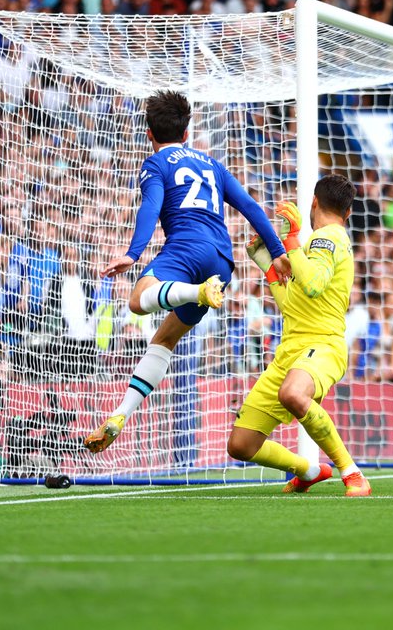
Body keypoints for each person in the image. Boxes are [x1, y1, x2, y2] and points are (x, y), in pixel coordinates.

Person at [84, 91, 291, 453]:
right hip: (221, 262)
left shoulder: (155, 164)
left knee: (137, 301)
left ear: (149, 133)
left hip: (187, 249)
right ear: (186, 132)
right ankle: (119, 414)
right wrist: (277, 252)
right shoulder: (212, 164)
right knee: (165, 339)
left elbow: (150, 207)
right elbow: (249, 205)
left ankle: (196, 291)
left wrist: (133, 254)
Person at [227, 175, 372, 497]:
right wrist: (269, 266)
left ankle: (353, 473)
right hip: (289, 351)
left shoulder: (326, 239)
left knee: (292, 394)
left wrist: (291, 240)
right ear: (348, 212)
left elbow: (313, 284)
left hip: (322, 345)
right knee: (241, 445)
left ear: (314, 202)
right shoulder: (315, 247)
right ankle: (309, 471)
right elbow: (293, 305)